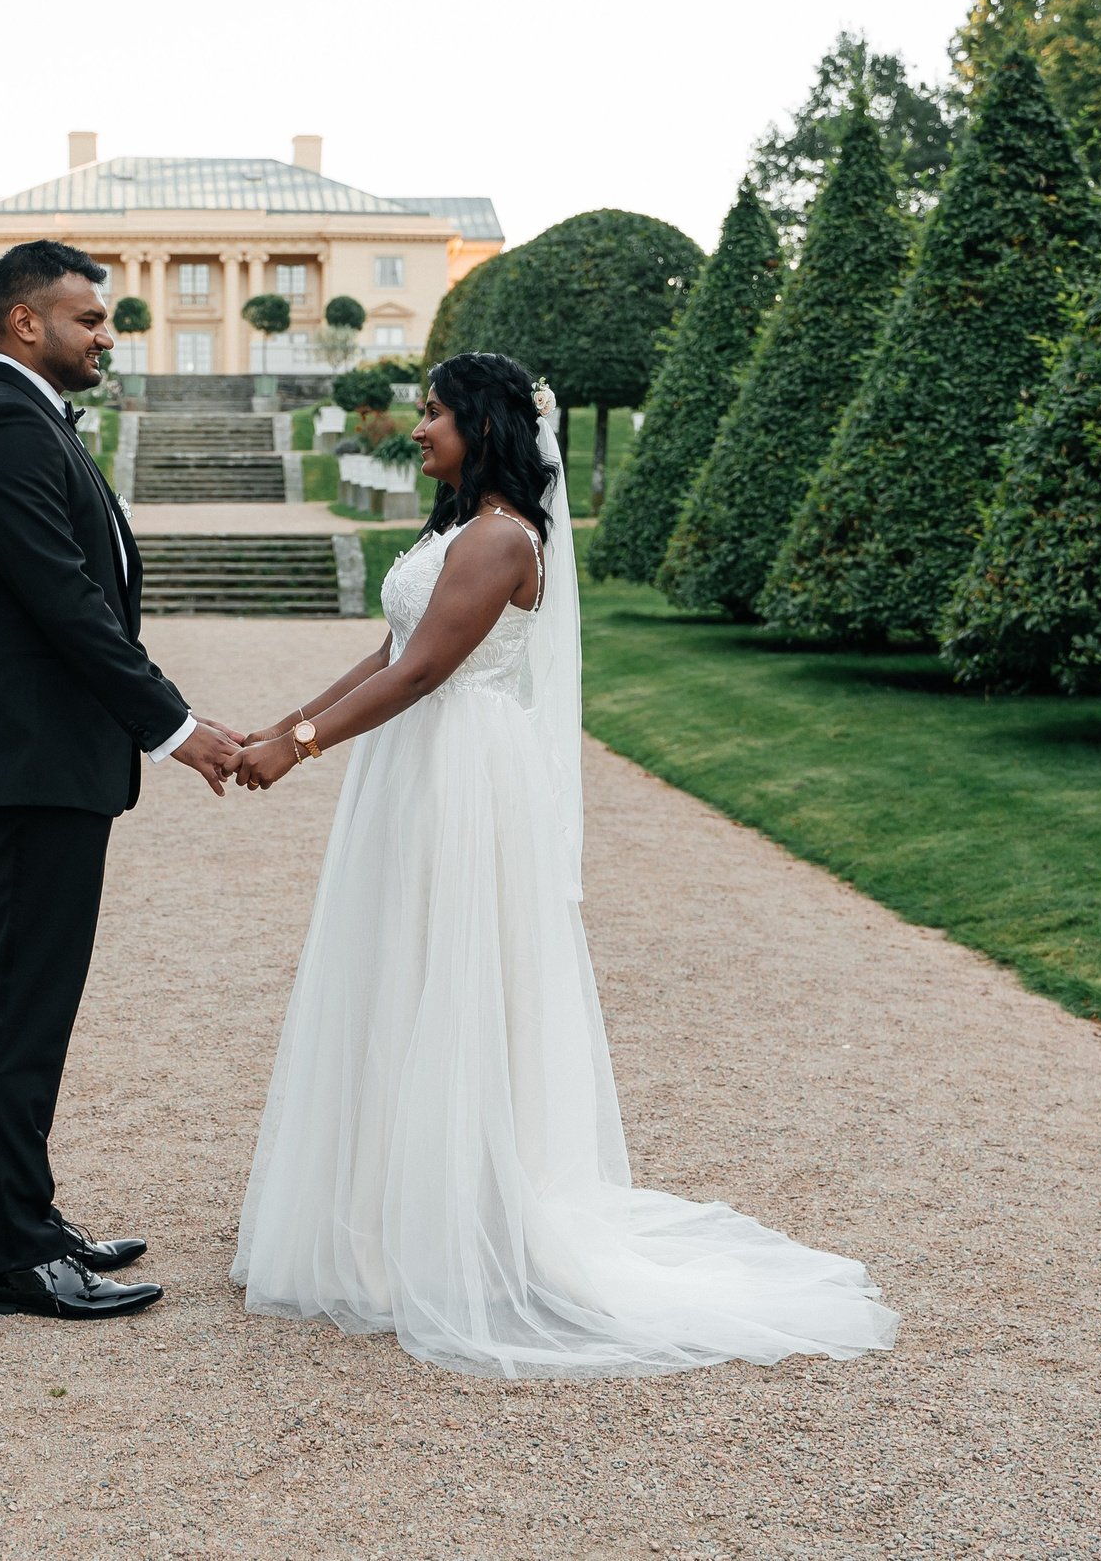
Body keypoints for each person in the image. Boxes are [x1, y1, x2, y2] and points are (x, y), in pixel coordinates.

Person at [225, 352, 900, 1377]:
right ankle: (379, 1216)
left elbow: (425, 670)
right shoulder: (456, 526)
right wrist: (278, 726)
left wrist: (303, 748)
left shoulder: (503, 537)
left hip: (459, 772)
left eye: (435, 412)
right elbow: (388, 649)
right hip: (413, 766)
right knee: (392, 967)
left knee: (448, 976)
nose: (419, 427)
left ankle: (459, 1224)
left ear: (484, 426)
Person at [0, 239, 240, 1320]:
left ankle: (30, 1215)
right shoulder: (1, 426)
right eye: (89, 319)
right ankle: (16, 1258)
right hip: (28, 764)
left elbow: (83, 598)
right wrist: (176, 727)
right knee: (21, 1008)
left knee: (37, 1003)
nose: (109, 335)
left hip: (49, 761)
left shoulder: (33, 420)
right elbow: (67, 605)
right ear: (26, 322)